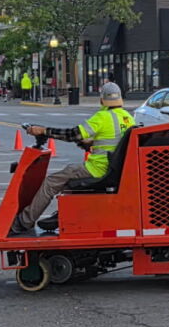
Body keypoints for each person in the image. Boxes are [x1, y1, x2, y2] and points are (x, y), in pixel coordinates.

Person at [9, 82, 135, 237]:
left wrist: (44, 131)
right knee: (68, 172)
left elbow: (72, 134)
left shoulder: (102, 117)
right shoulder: (128, 118)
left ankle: (23, 222)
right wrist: (89, 143)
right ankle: (62, 213)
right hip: (113, 168)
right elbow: (113, 141)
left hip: (98, 169)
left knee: (52, 181)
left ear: (102, 100)